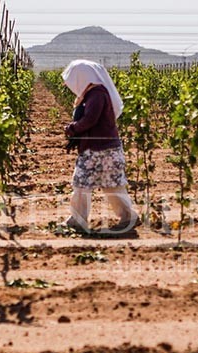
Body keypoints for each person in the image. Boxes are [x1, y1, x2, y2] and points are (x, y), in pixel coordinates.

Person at [61, 60, 139, 233]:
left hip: (100, 149)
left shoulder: (96, 94)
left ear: (82, 78)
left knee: (93, 183)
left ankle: (127, 218)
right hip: (101, 148)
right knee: (99, 184)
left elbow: (90, 120)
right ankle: (79, 219)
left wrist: (72, 128)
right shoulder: (93, 93)